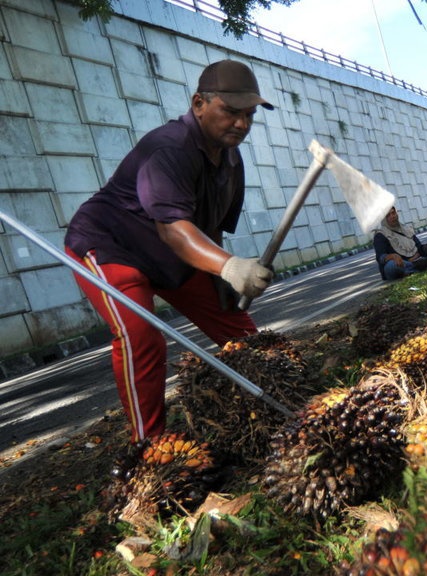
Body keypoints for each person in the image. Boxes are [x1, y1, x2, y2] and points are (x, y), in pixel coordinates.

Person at [63, 60, 275, 477]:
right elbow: (175, 232)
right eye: (230, 111)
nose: (241, 123)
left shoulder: (231, 162)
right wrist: (230, 265)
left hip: (172, 255)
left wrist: (221, 275)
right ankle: (150, 446)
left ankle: (281, 397)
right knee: (140, 332)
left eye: (248, 115)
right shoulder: (169, 149)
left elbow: (208, 228)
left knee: (237, 327)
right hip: (111, 247)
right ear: (198, 103)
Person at [374, 206, 427, 280]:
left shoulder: (406, 229)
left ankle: (415, 268)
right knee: (391, 266)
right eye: (388, 215)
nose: (392, 216)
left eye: (393, 213)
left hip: (415, 260)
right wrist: (392, 256)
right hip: (400, 264)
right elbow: (380, 257)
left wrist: (424, 250)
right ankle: (423, 265)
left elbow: (419, 247)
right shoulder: (380, 235)